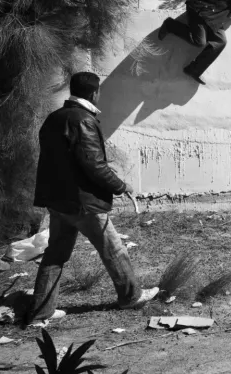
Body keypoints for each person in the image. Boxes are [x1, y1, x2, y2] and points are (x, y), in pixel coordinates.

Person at [26, 72, 160, 327]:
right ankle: (131, 297)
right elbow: (94, 165)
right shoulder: (83, 120)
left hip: (59, 201)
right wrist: (121, 186)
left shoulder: (55, 118)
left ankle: (41, 313)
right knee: (113, 250)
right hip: (83, 204)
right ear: (94, 93)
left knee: (55, 256)